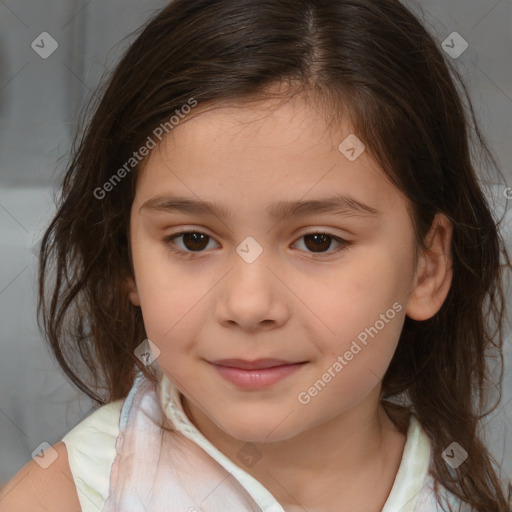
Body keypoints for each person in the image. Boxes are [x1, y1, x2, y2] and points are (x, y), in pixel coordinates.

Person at [1, 0, 511, 510]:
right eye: (193, 240)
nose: (248, 305)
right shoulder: (58, 498)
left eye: (318, 241)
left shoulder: (469, 496)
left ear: (427, 267)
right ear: (125, 260)